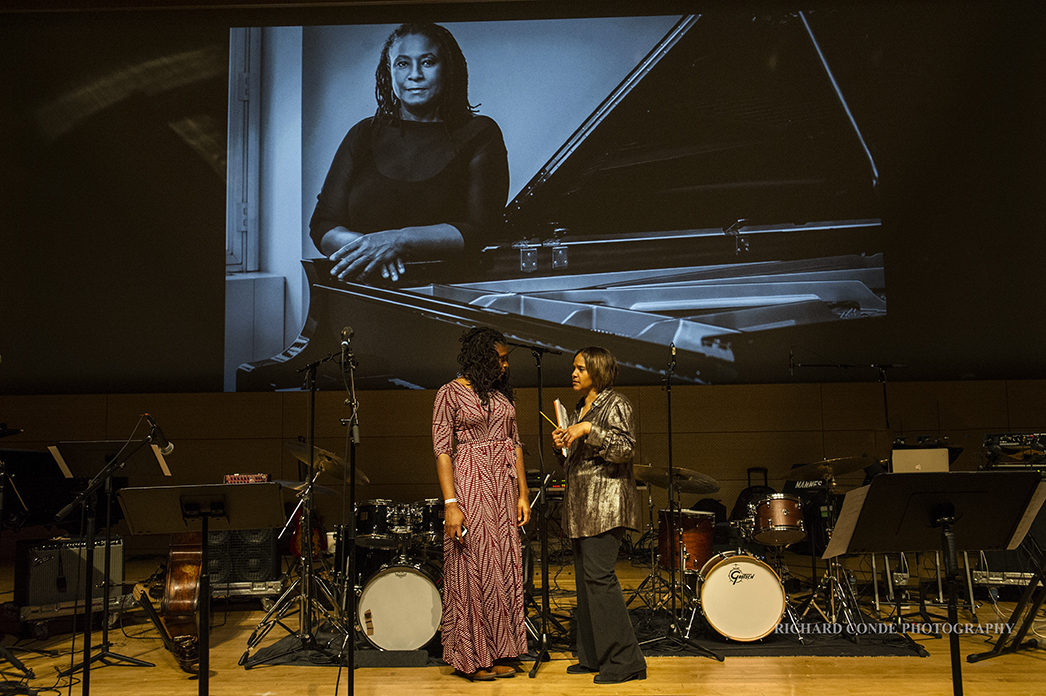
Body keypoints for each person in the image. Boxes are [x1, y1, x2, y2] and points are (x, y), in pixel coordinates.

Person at [310, 22, 509, 284]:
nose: (414, 75)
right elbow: (323, 224)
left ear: (448, 69)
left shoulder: (480, 133)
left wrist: (398, 240)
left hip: (446, 294)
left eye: (427, 62)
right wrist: (371, 247)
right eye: (402, 64)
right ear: (389, 72)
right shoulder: (364, 133)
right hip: (360, 292)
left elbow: (480, 229)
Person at [432, 326, 531, 681]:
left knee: (503, 567)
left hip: (503, 489)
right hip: (471, 483)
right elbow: (443, 450)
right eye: (499, 359)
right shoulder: (450, 394)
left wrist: (523, 493)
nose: (504, 366)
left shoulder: (502, 396)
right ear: (481, 358)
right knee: (474, 567)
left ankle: (501, 649)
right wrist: (451, 503)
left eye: (506, 360)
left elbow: (515, 443)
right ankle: (472, 656)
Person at [551, 346, 647, 684]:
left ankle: (626, 661)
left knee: (600, 580)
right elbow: (574, 463)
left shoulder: (616, 403)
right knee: (585, 582)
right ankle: (592, 657)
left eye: (580, 368)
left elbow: (625, 449)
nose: (573, 373)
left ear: (597, 371)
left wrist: (588, 430)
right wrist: (564, 443)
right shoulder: (580, 408)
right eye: (573, 368)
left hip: (606, 506)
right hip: (581, 508)